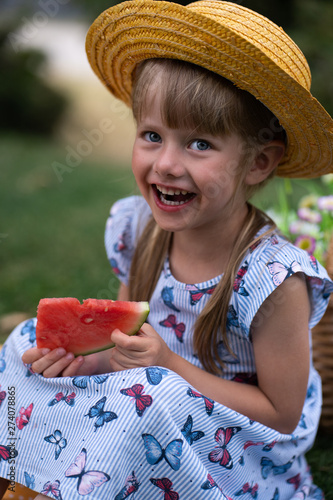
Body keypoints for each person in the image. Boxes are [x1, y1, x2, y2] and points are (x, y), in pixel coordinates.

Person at [1, 1, 333, 499]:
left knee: (147, 393)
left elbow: (281, 415)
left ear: (260, 162)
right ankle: (25, 474)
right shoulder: (137, 228)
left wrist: (168, 367)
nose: (167, 164)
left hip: (239, 455)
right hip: (146, 399)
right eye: (152, 136)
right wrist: (89, 360)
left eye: (199, 144)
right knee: (25, 340)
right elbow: (120, 341)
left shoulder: (274, 279)